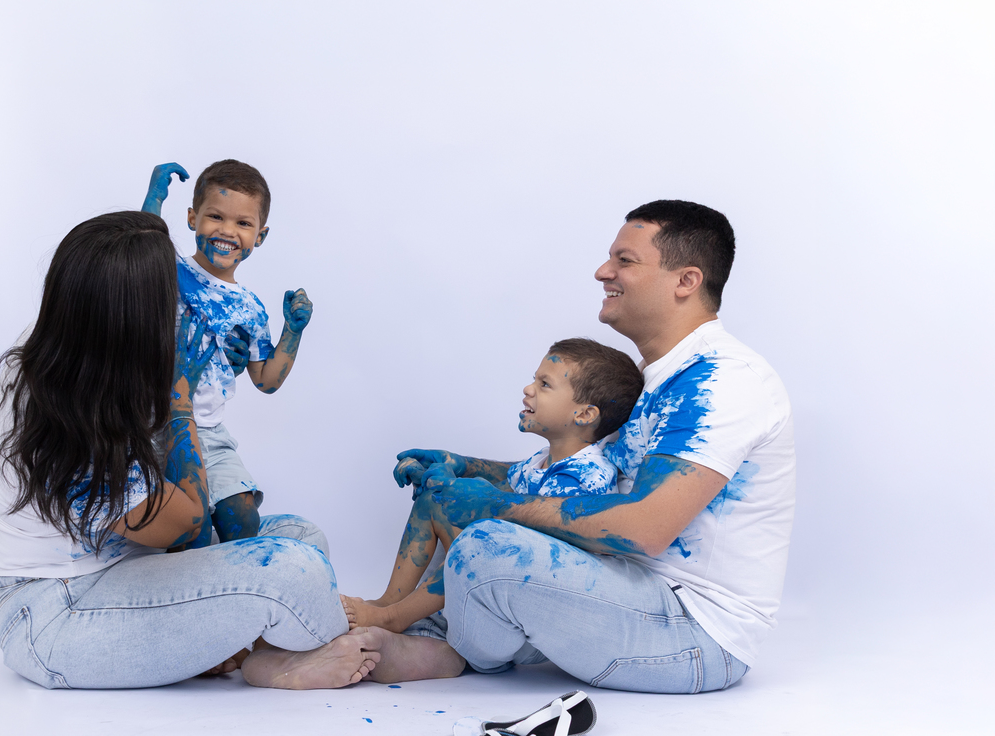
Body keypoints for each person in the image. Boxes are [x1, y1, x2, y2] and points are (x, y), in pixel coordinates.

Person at [384, 200, 795, 693]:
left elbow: (645, 529)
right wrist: (465, 467)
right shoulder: (660, 379)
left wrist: (492, 506)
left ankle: (444, 647)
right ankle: (409, 630)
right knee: (459, 495)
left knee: (486, 542)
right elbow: (577, 471)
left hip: (695, 634)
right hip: (626, 591)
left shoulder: (723, 380)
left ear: (685, 281)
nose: (604, 272)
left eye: (626, 261)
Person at [0, 210, 382, 690]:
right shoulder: (70, 409)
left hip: (130, 565)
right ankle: (343, 643)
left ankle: (242, 650)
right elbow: (188, 519)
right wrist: (179, 402)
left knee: (301, 537)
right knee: (292, 568)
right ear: (132, 320)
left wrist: (219, 368)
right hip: (59, 614)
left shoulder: (75, 353)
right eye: (172, 302)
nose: (183, 307)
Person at [340, 338, 642, 634]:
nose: (528, 389)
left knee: (479, 543)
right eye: (533, 381)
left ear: (584, 414)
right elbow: (502, 487)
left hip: (540, 598)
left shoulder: (585, 476)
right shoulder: (545, 460)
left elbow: (526, 539)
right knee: (435, 500)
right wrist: (443, 476)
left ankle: (394, 617)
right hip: (515, 574)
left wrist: (460, 491)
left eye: (545, 385)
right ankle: (390, 601)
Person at [140, 160, 313, 546]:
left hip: (209, 433)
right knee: (185, 529)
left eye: (243, 224)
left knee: (243, 520)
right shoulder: (170, 269)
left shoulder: (250, 309)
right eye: (215, 217)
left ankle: (226, 581)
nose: (227, 231)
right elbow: (139, 246)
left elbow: (266, 380)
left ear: (260, 236)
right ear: (191, 218)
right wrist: (154, 196)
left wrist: (293, 331)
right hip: (148, 425)